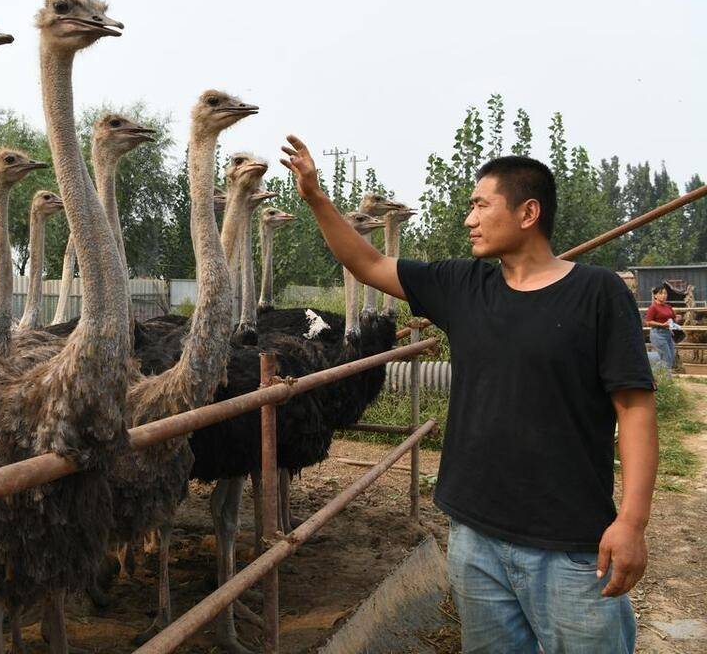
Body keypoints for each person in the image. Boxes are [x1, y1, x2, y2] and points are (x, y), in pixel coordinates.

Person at [281, 138, 657, 653]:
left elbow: (634, 409)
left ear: (528, 212)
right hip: (475, 541)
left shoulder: (598, 293)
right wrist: (316, 199)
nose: (469, 219)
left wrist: (632, 521)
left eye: (480, 205)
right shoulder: (462, 285)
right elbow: (367, 264)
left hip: (571, 550)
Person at [644, 285, 678, 371]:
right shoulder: (653, 307)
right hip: (658, 334)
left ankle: (656, 374)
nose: (664, 295)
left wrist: (677, 319)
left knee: (670, 356)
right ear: (655, 295)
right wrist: (662, 325)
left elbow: (673, 318)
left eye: (665, 293)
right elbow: (648, 322)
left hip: (668, 333)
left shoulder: (668, 306)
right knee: (666, 357)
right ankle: (665, 378)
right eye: (661, 293)